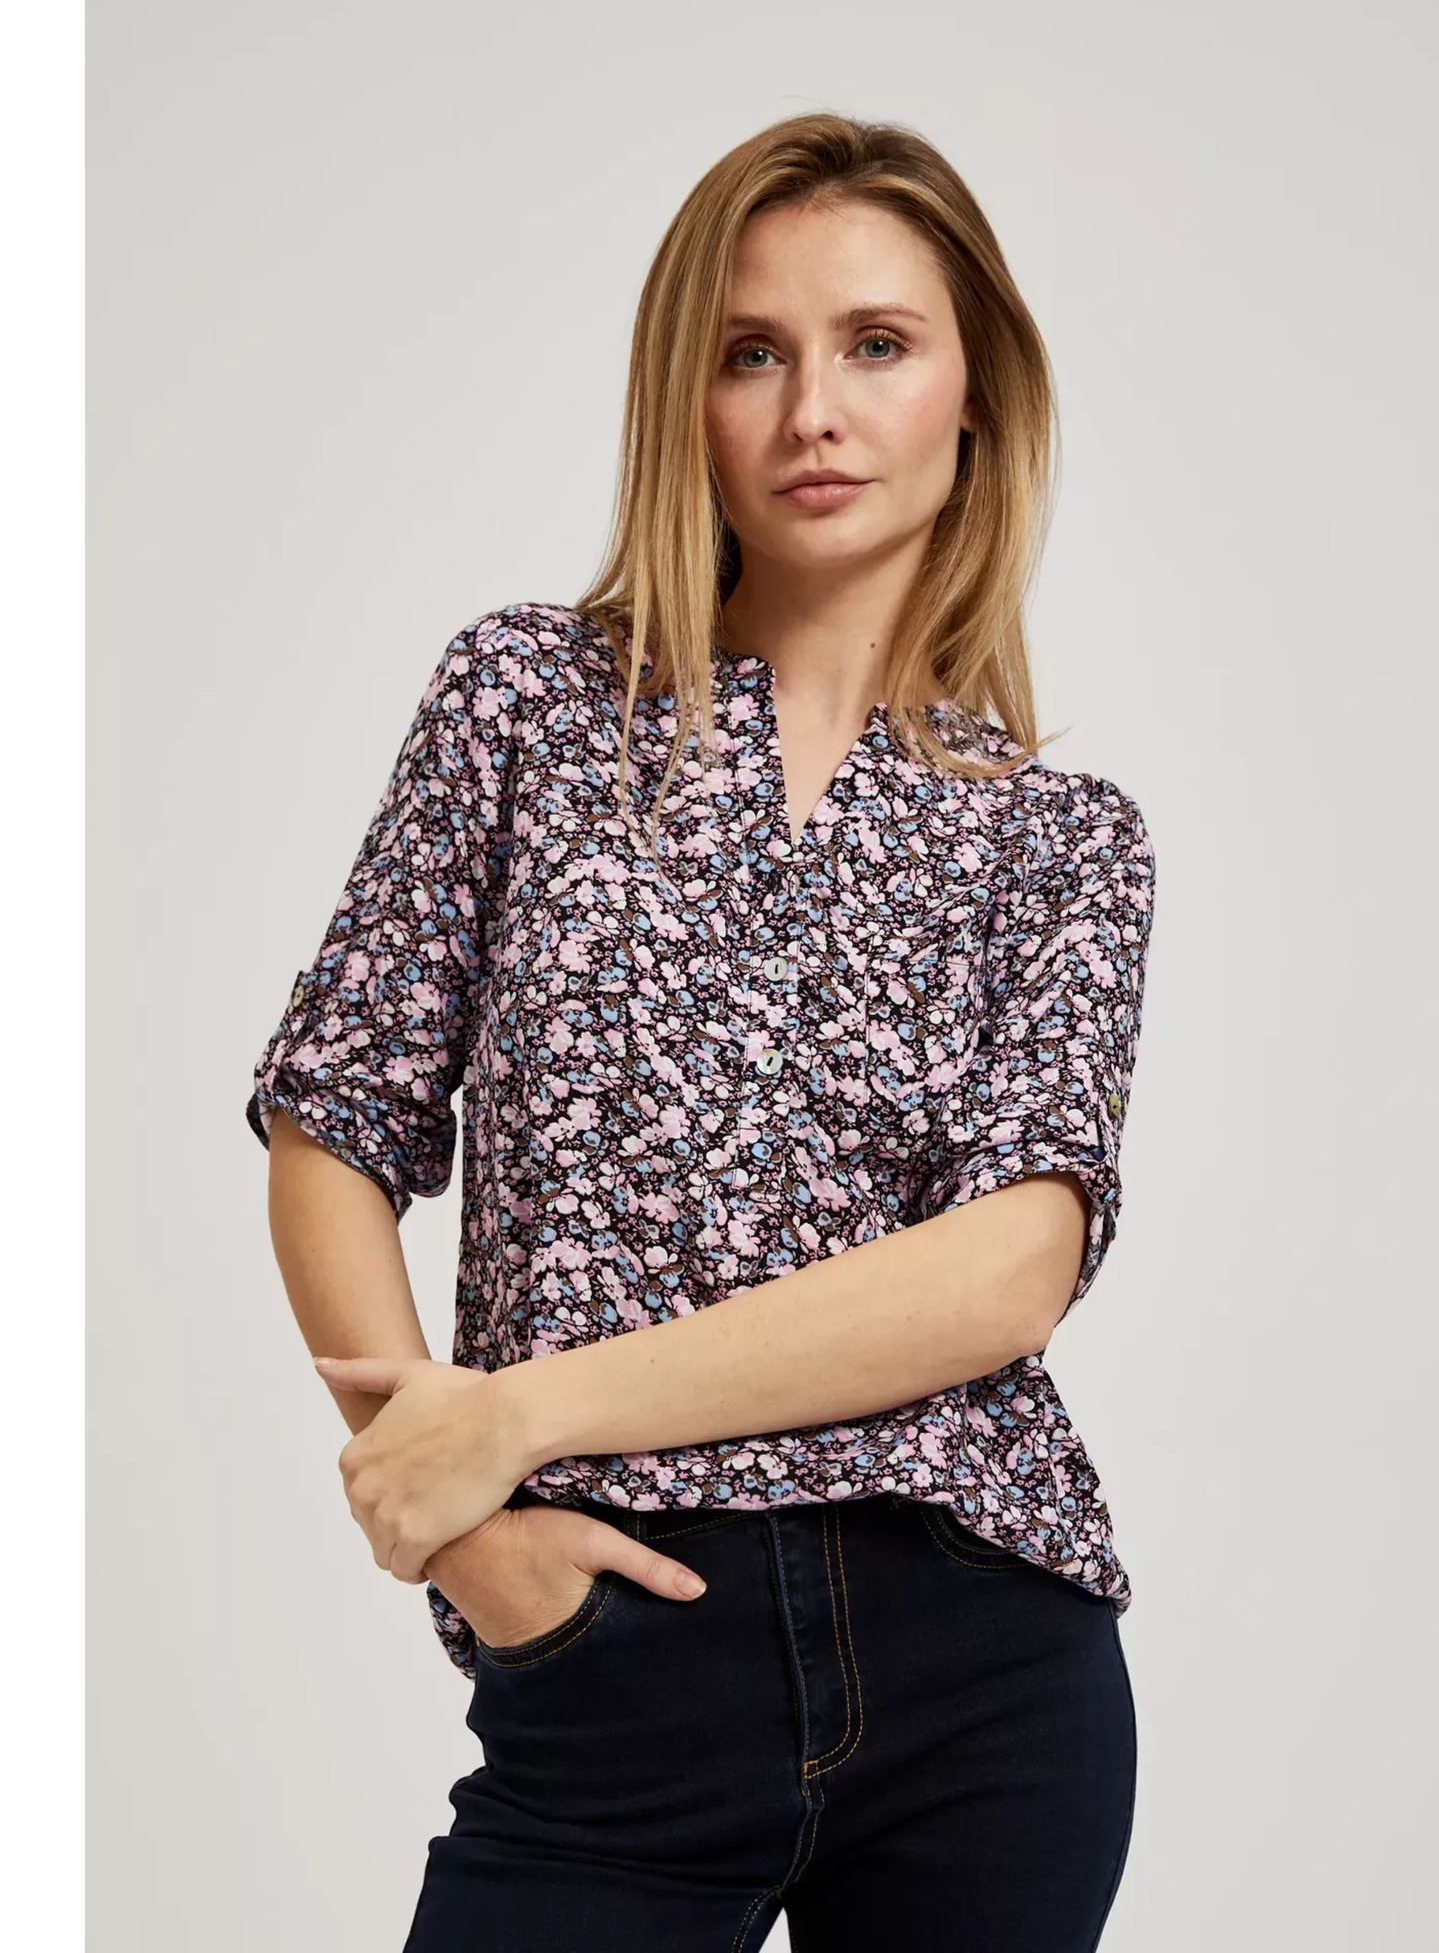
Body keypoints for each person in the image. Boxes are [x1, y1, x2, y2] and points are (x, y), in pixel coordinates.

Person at [246, 111, 1157, 1952]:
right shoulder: (527, 701)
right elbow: (332, 1123)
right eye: (754, 353)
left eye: (876, 345)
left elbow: (1005, 1273)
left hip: (982, 1661)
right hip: (613, 1655)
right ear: (690, 397)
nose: (815, 410)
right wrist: (475, 1544)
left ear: (976, 399)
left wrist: (516, 1416)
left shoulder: (1063, 840)